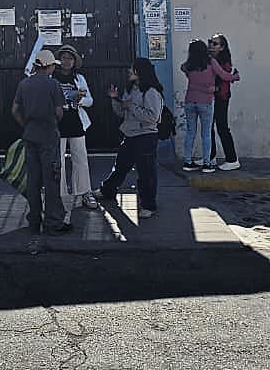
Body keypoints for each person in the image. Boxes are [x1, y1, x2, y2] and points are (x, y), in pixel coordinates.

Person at [11, 49, 71, 234]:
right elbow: (60, 112)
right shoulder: (53, 85)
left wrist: (26, 125)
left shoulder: (24, 84)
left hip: (30, 136)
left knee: (34, 181)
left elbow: (14, 110)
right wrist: (52, 122)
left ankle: (34, 219)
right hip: (48, 136)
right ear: (49, 66)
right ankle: (53, 221)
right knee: (51, 180)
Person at [96, 57, 164, 218]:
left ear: (140, 71)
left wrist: (131, 107)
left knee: (146, 173)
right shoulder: (130, 89)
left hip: (146, 136)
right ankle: (107, 190)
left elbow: (152, 117)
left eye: (132, 68)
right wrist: (114, 99)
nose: (129, 71)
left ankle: (148, 205)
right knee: (121, 166)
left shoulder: (151, 92)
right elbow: (121, 113)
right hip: (130, 134)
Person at [53, 44, 97, 218]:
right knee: (59, 161)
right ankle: (60, 194)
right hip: (58, 124)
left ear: (74, 61)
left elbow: (90, 100)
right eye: (64, 57)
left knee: (81, 159)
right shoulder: (52, 77)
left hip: (76, 122)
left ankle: (84, 192)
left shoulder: (79, 78)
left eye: (70, 58)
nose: (67, 61)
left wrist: (79, 100)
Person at [179, 39, 217, 173]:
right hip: (205, 102)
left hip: (190, 101)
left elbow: (182, 67)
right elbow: (223, 75)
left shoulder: (189, 65)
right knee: (206, 134)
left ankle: (187, 161)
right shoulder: (211, 63)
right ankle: (207, 163)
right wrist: (234, 76)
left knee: (190, 133)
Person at [207, 33, 242, 171]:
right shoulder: (211, 59)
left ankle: (232, 159)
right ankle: (210, 156)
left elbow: (225, 79)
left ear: (222, 47)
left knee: (221, 127)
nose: (211, 45)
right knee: (209, 127)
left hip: (221, 97)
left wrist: (215, 88)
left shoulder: (223, 62)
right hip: (214, 97)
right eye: (210, 42)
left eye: (215, 43)